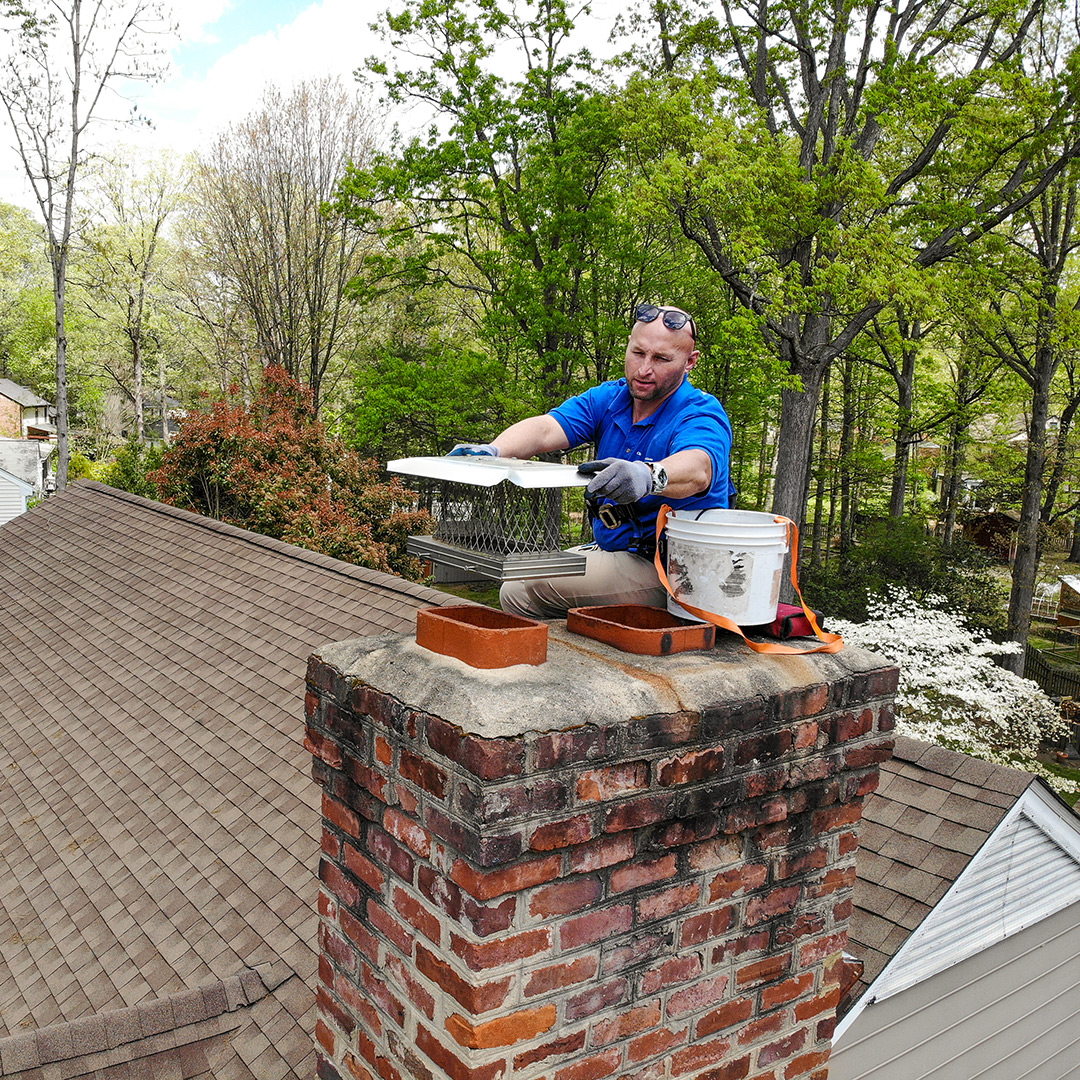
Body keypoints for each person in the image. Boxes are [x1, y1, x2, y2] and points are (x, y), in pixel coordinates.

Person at [450, 303, 736, 618]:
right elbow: (546, 429)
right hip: (616, 552)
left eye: (661, 359)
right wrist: (493, 450)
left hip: (676, 571)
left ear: (689, 362)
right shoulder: (611, 398)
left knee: (521, 587)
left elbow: (699, 468)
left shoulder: (699, 412)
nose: (643, 369)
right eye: (638, 353)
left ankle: (553, 663)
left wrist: (648, 476)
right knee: (521, 573)